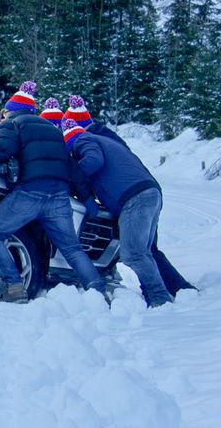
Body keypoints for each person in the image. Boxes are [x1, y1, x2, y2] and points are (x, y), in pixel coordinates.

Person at [0, 81, 108, 304]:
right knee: (71, 248)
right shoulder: (54, 130)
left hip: (29, 193)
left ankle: (14, 286)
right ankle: (98, 292)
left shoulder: (11, 123)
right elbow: (72, 168)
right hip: (59, 196)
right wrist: (86, 199)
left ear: (11, 110)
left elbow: (4, 148)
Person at [64, 95, 196, 300]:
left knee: (133, 254)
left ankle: (159, 298)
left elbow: (93, 162)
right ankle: (178, 291)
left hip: (134, 197)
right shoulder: (107, 139)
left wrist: (73, 174)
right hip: (148, 192)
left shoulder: (84, 139)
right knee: (147, 251)